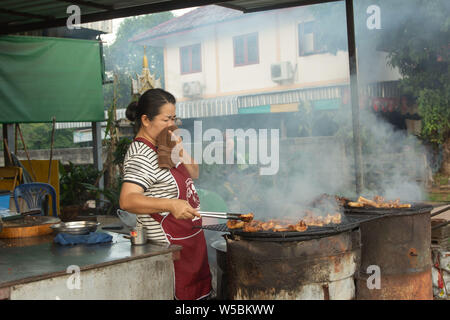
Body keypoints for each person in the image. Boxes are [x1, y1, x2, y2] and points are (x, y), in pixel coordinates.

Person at [119, 88, 212, 300]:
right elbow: (127, 199)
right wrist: (171, 205)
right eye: (166, 119)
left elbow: (194, 172)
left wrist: (179, 148)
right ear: (145, 119)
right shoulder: (140, 154)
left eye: (174, 118)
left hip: (191, 244)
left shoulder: (162, 146)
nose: (173, 124)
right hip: (169, 253)